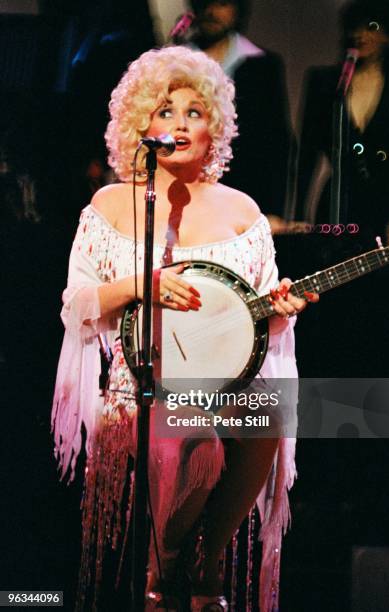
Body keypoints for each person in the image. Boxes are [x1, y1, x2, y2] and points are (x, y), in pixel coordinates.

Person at [52, 46, 315, 611]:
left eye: (194, 113)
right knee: (178, 424)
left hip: (221, 389)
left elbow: (251, 314)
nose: (179, 124)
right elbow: (77, 304)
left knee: (266, 411)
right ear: (141, 123)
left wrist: (279, 306)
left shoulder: (243, 211)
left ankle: (199, 558)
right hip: (137, 389)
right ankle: (171, 575)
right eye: (166, 111)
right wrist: (140, 285)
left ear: (214, 126)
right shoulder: (112, 204)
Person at [294, 0, 389, 377]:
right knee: (334, 295)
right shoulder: (327, 82)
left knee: (382, 302)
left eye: (372, 26)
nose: (362, 35)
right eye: (356, 27)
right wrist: (296, 218)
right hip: (337, 202)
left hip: (387, 206)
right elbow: (306, 152)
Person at [186, 0, 294, 231]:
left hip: (244, 196)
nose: (211, 11)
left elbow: (276, 143)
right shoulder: (177, 62)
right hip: (186, 196)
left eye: (222, 3)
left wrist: (273, 209)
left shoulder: (262, 65)